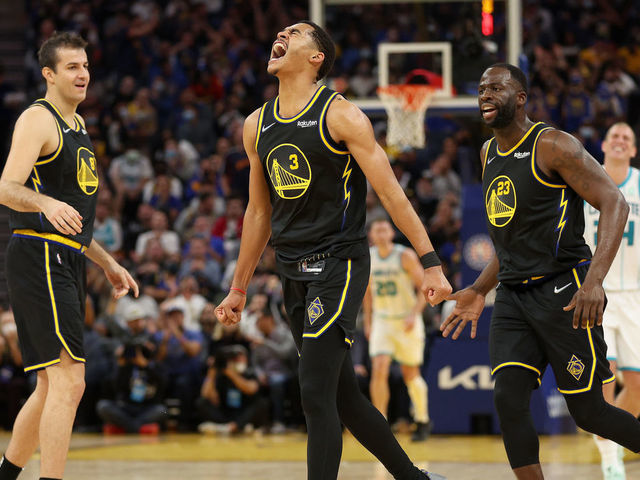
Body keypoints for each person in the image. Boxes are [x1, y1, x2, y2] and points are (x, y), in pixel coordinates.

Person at [215, 21, 451, 480]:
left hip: (338, 266)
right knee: (344, 398)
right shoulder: (256, 124)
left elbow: (392, 193)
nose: (281, 34)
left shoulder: (341, 115)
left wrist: (430, 263)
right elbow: (258, 214)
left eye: (296, 32)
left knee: (314, 393)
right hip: (291, 271)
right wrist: (238, 288)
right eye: (279, 31)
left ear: (316, 57)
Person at [441, 64, 640, 480]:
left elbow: (615, 203)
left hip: (565, 291)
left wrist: (594, 282)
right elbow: (512, 243)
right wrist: (478, 289)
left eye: (496, 87)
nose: (485, 95)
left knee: (591, 413)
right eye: (481, 88)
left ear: (521, 97)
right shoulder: (487, 153)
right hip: (513, 296)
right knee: (508, 399)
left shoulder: (553, 145)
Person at [0, 32, 138, 480]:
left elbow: (73, 219)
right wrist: (43, 203)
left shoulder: (77, 126)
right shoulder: (38, 120)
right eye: (72, 67)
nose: (83, 74)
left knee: (48, 385)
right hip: (40, 256)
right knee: (70, 380)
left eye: (85, 66)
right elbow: (6, 188)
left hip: (66, 257)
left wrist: (108, 262)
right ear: (49, 75)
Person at [583, 122, 640, 480]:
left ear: (633, 150)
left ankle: (611, 440)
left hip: (635, 295)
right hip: (596, 293)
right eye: (614, 136)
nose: (620, 141)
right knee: (608, 377)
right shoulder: (586, 179)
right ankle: (610, 459)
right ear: (604, 144)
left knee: (636, 386)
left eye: (627, 138)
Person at [363, 218, 431, 442]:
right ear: (371, 234)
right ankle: (380, 423)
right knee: (379, 367)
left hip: (406, 320)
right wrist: (368, 321)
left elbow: (424, 287)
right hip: (383, 320)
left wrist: (414, 313)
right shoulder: (368, 257)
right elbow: (367, 294)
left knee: (410, 374)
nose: (381, 233)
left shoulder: (405, 255)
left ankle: (421, 419)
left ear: (391, 233)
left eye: (384, 229)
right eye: (377, 229)